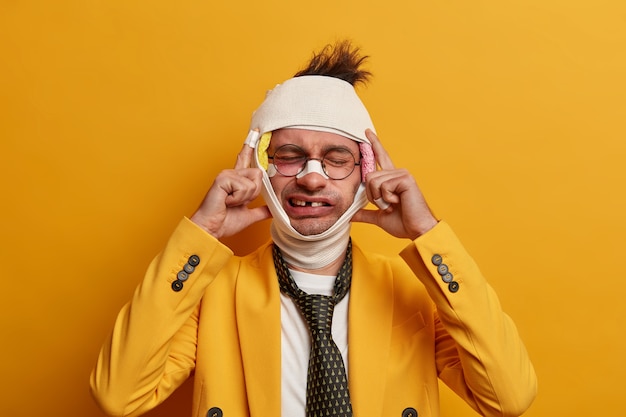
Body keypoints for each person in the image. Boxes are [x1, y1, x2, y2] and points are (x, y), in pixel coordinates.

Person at [90, 41, 537, 417]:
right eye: (289, 154)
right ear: (261, 169)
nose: (311, 175)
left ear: (367, 172)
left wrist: (429, 235)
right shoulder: (212, 292)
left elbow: (509, 397)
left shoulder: (415, 290)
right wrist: (201, 233)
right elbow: (118, 394)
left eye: (337, 158)